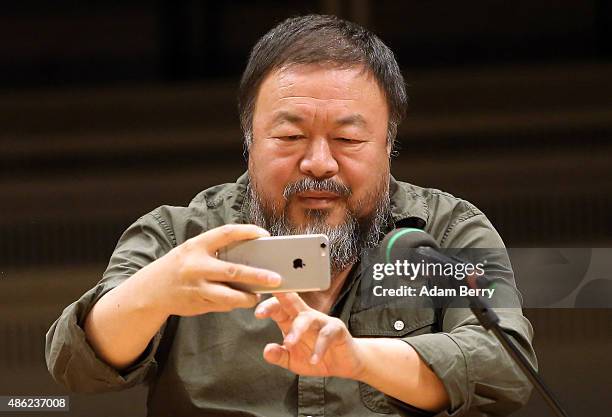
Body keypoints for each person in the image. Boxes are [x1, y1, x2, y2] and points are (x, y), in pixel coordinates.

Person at [46, 14, 537, 417]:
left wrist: (358, 359)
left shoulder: (445, 231)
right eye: (290, 137)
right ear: (249, 144)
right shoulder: (181, 234)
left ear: (389, 146)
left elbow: (503, 368)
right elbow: (74, 365)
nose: (319, 163)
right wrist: (155, 291)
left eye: (347, 140)